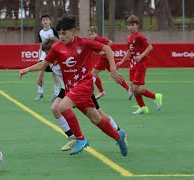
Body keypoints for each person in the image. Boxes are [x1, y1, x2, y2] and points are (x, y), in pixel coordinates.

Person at [20, 15, 128, 156]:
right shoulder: (57, 47)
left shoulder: (84, 43)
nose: (61, 36)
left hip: (84, 85)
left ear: (74, 31)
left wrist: (113, 69)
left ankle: (80, 139)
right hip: (71, 88)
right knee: (96, 119)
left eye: (64, 33)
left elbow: (107, 49)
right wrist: (27, 69)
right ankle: (118, 137)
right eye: (59, 33)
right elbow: (44, 64)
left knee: (61, 106)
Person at [117, 15, 162, 115]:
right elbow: (129, 51)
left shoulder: (139, 36)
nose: (130, 27)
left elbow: (150, 47)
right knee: (134, 89)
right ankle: (143, 108)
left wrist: (141, 56)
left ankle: (156, 97)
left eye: (132, 25)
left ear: (137, 25)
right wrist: (121, 62)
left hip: (140, 64)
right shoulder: (129, 37)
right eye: (128, 25)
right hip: (133, 65)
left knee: (135, 88)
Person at [88, 26, 132, 100]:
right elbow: (96, 51)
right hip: (107, 59)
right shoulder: (93, 42)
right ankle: (128, 89)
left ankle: (101, 91)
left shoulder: (98, 38)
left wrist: (104, 50)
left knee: (93, 74)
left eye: (92, 34)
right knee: (115, 75)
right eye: (89, 34)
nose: (91, 36)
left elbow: (110, 42)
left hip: (105, 59)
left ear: (96, 33)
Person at [35, 14, 60, 102]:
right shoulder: (40, 32)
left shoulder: (53, 30)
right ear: (41, 22)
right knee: (40, 71)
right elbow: (41, 45)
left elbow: (58, 41)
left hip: (53, 54)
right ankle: (40, 92)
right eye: (43, 20)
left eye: (47, 19)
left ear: (50, 21)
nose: (45, 21)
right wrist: (39, 55)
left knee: (55, 73)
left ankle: (57, 94)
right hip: (44, 54)